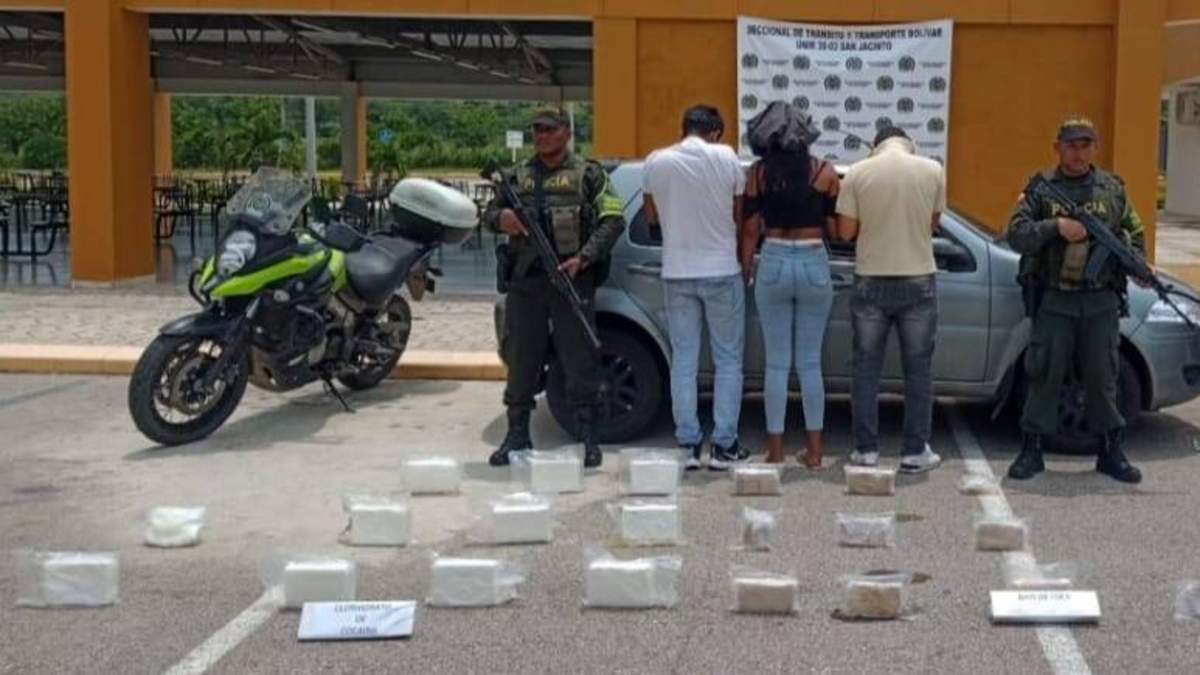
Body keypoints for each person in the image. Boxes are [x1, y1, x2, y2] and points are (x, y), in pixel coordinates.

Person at [482, 107, 626, 469]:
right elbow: (487, 216)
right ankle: (517, 434)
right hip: (526, 284)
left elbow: (612, 220)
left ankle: (587, 435)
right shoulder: (517, 176)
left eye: (549, 129)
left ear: (566, 133)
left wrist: (584, 257)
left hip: (571, 280)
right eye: (537, 130)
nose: (542, 136)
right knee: (521, 358)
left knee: (580, 358)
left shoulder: (588, 174)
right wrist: (502, 218)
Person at [1005, 117, 1144, 484]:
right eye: (1071, 145)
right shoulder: (1041, 190)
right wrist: (1056, 227)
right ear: (1057, 147)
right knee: (1044, 373)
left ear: (1094, 147)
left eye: (1085, 145)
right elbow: (1016, 234)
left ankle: (1110, 451)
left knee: (1103, 375)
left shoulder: (1112, 190)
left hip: (1101, 301)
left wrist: (1135, 261)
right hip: (1055, 300)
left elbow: (1136, 232)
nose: (1078, 153)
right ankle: (1032, 449)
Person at [643, 104, 752, 471]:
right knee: (728, 360)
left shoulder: (656, 161)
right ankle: (724, 446)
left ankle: (688, 445)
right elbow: (738, 216)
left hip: (676, 271)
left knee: (684, 360)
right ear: (716, 133)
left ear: (683, 128)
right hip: (721, 269)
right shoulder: (726, 157)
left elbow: (651, 216)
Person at [835, 126, 945, 473]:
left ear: (875, 146)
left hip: (871, 278)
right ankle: (915, 451)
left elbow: (845, 233)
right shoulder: (933, 169)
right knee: (918, 369)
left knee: (866, 368)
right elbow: (931, 225)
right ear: (911, 144)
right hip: (918, 277)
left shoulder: (857, 172)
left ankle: (866, 450)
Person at [739, 102, 838, 468]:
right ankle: (814, 452)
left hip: (775, 260)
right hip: (813, 261)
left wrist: (745, 270)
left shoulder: (758, 173)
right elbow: (834, 229)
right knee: (810, 363)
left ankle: (776, 450)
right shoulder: (825, 171)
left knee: (777, 364)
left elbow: (750, 229)